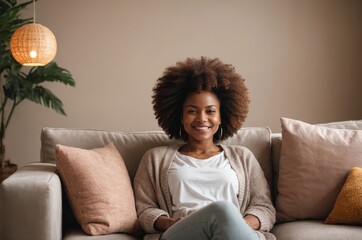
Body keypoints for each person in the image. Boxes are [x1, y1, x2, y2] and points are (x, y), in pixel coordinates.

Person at [134, 57, 276, 240]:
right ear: (180, 116)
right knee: (222, 209)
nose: (202, 118)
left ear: (221, 117)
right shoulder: (155, 158)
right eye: (192, 111)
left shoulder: (243, 157)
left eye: (210, 111)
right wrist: (169, 222)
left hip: (235, 234)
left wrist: (233, 225)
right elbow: (145, 210)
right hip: (183, 233)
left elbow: (264, 207)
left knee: (224, 213)